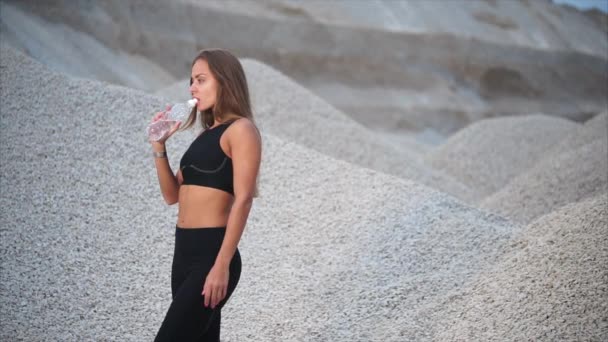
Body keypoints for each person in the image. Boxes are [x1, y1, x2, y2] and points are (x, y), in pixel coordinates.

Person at [150, 48, 262, 341]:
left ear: (224, 81)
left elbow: (244, 199)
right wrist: (159, 147)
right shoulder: (202, 136)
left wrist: (221, 265)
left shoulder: (241, 130)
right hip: (183, 254)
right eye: (191, 80)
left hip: (212, 255)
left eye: (200, 79)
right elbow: (172, 195)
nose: (192, 87)